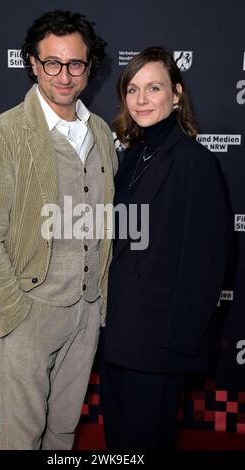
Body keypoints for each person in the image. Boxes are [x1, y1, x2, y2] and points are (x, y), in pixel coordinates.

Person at [0, 10, 117, 450]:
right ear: (32, 63)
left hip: (86, 313)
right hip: (27, 311)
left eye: (75, 64)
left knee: (63, 432)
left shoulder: (101, 133)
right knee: (20, 437)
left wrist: (98, 304)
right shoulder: (2, 134)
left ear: (90, 67)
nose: (63, 75)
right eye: (52, 62)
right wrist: (11, 313)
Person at [100, 46, 231, 449]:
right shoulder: (130, 158)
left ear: (175, 95)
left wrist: (179, 340)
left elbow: (210, 259)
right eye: (132, 89)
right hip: (116, 335)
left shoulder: (194, 161)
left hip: (158, 343)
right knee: (118, 445)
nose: (141, 100)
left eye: (153, 88)